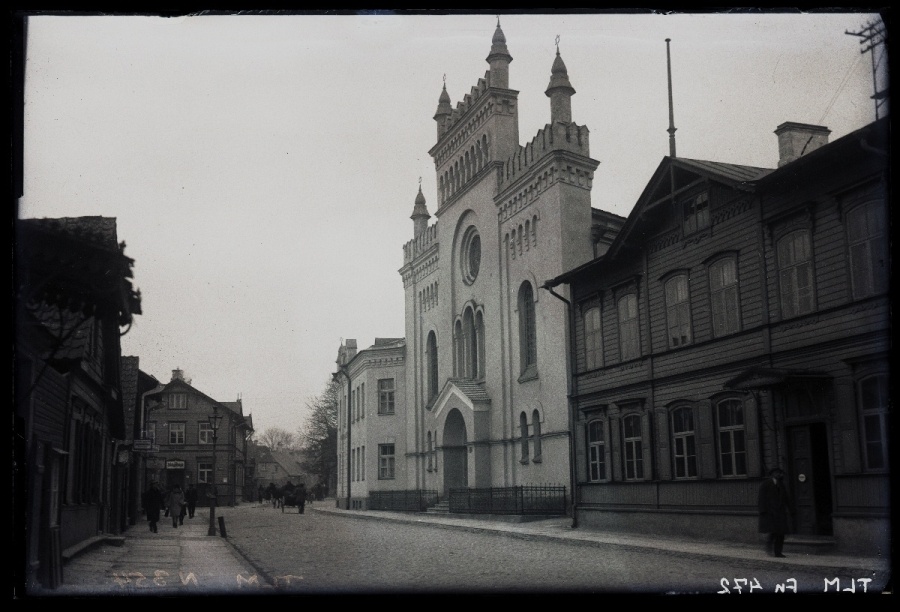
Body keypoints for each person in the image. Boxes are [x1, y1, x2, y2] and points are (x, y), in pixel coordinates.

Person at [758, 467, 794, 558]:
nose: (780, 474)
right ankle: (769, 546)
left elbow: (786, 498)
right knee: (774, 532)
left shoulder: (781, 484)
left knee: (781, 533)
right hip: (770, 513)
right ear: (773, 474)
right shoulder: (766, 484)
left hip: (780, 512)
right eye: (778, 473)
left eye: (780, 473)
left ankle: (778, 553)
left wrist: (791, 509)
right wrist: (763, 511)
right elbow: (761, 498)